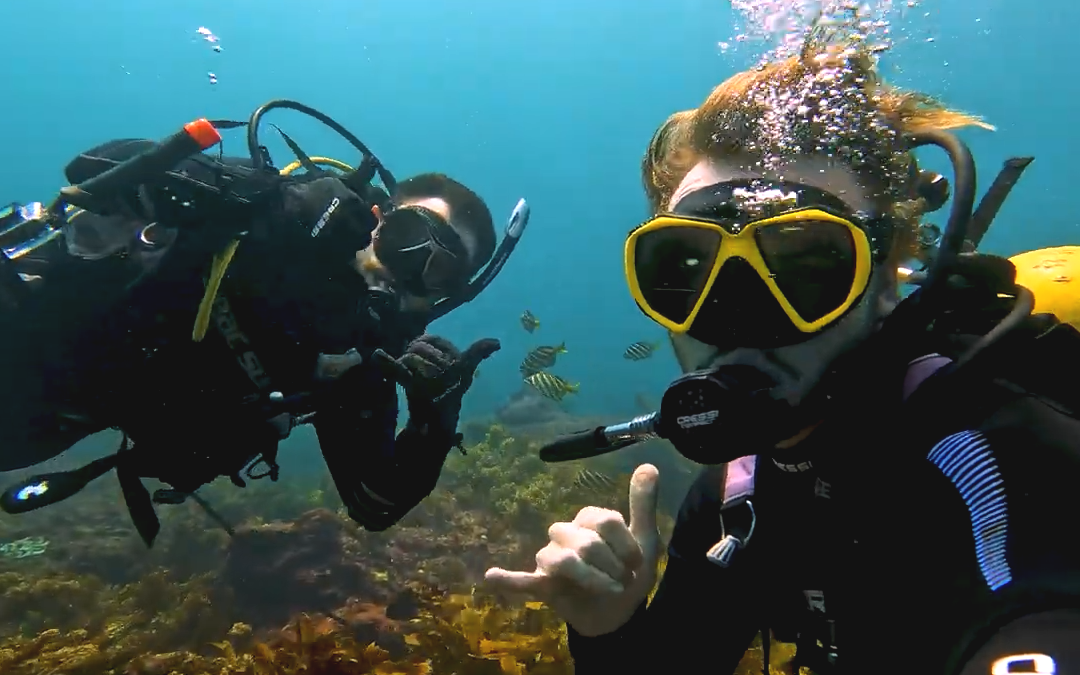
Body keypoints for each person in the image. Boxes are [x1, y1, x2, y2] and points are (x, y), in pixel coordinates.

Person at [485, 39, 1080, 675]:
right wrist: (608, 632)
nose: (737, 319)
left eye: (808, 267)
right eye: (688, 271)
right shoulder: (737, 490)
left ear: (888, 286)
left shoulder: (1004, 452)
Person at [0, 100, 526, 546]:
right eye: (408, 242)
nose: (406, 276)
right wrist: (273, 208)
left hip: (38, 427)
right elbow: (96, 169)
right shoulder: (258, 216)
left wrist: (434, 419)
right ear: (374, 216)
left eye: (440, 275)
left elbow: (377, 504)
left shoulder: (357, 364)